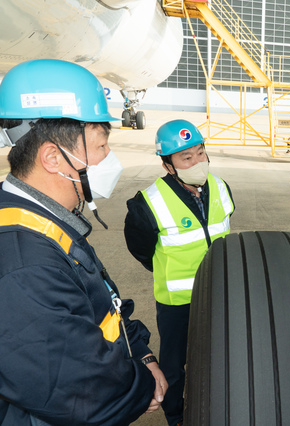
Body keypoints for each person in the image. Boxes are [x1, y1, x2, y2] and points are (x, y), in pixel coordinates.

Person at [0, 59, 167, 425]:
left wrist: (141, 354)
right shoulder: (22, 261)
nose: (109, 158)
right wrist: (142, 386)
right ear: (52, 158)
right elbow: (79, 387)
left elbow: (103, 303)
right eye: (101, 146)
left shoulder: (45, 220)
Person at [124, 119, 235, 426]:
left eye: (200, 152)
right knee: (174, 366)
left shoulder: (222, 188)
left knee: (221, 356)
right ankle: (176, 416)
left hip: (218, 292)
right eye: (186, 157)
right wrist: (164, 267)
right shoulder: (147, 203)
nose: (197, 162)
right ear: (167, 165)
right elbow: (142, 249)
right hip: (177, 302)